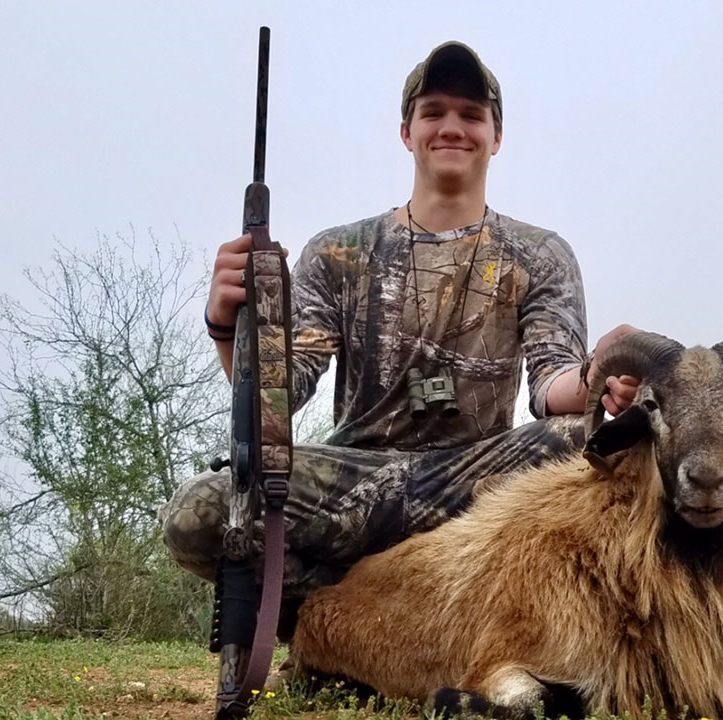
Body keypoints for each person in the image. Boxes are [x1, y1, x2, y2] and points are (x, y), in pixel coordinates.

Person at [159, 40, 638, 672]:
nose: (452, 127)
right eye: (433, 111)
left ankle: (476, 625)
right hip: (356, 484)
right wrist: (227, 325)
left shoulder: (541, 254)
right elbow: (281, 396)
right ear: (406, 131)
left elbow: (551, 387)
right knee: (200, 511)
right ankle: (339, 621)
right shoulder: (338, 252)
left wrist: (598, 376)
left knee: (590, 441)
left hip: (478, 497)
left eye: (471, 115)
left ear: (496, 136)